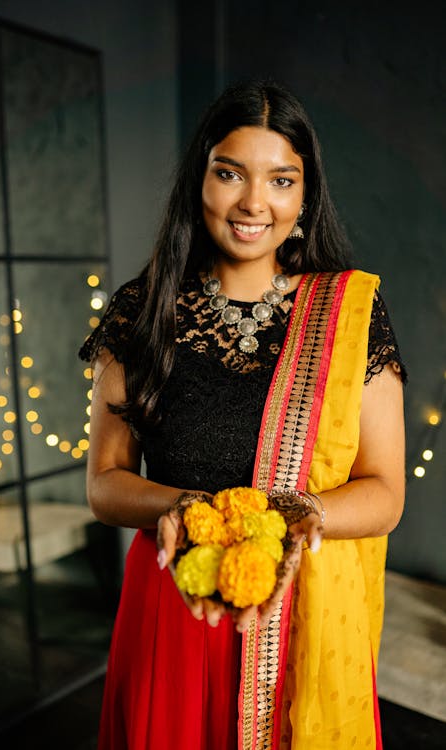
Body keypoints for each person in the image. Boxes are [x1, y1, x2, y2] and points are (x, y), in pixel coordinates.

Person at [79, 79, 406, 750]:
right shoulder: (142, 310)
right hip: (176, 605)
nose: (255, 203)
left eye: (281, 180)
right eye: (230, 173)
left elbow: (384, 492)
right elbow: (105, 484)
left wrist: (298, 514)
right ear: (199, 179)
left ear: (306, 196)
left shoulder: (350, 314)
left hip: (297, 610)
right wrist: (196, 509)